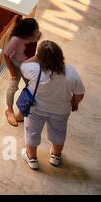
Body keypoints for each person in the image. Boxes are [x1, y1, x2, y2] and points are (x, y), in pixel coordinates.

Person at [18, 40, 85, 171]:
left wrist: (37, 56)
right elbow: (80, 93)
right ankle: (55, 155)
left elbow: (23, 65)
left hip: (36, 109)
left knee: (32, 131)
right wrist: (74, 102)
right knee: (59, 132)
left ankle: (31, 158)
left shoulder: (34, 69)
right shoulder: (70, 72)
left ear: (40, 58)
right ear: (60, 55)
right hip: (61, 110)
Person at [1, 16, 41, 126]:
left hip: (29, 65)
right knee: (13, 87)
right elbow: (6, 54)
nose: (36, 32)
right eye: (34, 30)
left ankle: (23, 110)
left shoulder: (36, 35)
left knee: (32, 86)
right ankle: (9, 110)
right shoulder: (16, 40)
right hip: (17, 64)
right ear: (27, 32)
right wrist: (12, 71)